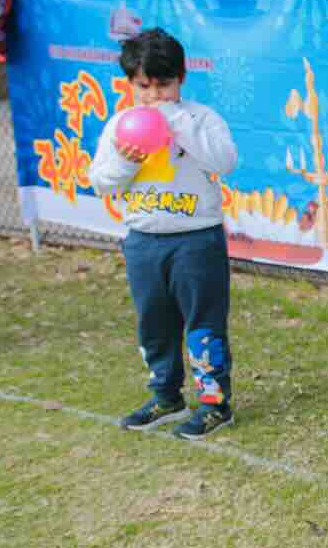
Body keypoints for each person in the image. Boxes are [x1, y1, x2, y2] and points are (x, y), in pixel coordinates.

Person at [89, 30, 239, 439]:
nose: (154, 95)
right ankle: (166, 394)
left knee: (204, 323)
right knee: (153, 323)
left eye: (164, 85)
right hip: (143, 240)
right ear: (129, 84)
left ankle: (214, 402)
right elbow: (101, 182)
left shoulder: (200, 118)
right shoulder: (120, 125)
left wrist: (175, 122)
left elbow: (224, 160)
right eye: (143, 86)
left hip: (196, 240)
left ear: (181, 78)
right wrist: (125, 160)